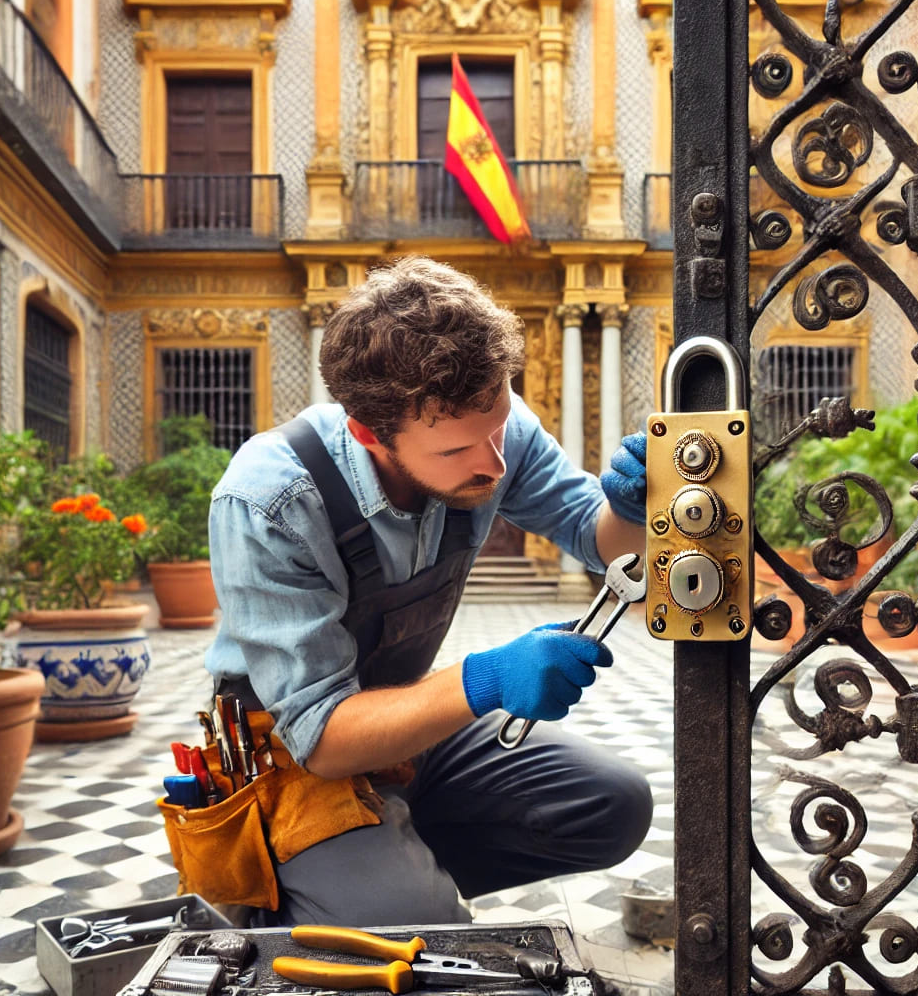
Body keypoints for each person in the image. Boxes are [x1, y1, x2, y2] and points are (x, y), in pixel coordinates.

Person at [205, 255, 653, 926]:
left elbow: (599, 541)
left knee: (612, 804)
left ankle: (385, 863)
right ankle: (321, 890)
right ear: (369, 432)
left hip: (404, 732)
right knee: (422, 931)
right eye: (456, 453)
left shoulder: (487, 427)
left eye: (498, 430)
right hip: (289, 753)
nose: (493, 464)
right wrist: (486, 678)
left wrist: (632, 507)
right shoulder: (269, 500)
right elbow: (322, 736)